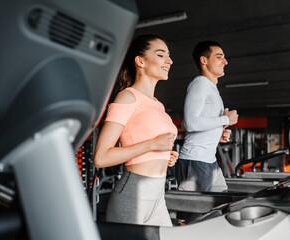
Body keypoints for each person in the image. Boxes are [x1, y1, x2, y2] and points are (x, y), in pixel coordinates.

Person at [94, 35, 178, 227]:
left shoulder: (158, 105)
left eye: (169, 56)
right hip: (133, 195)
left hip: (158, 196)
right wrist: (153, 144)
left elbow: (144, 145)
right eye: (161, 55)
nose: (169, 61)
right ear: (140, 61)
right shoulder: (127, 97)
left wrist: (164, 155)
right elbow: (101, 157)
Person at [175, 40, 238, 223]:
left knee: (220, 209)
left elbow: (202, 124)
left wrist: (220, 133)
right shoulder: (200, 84)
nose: (225, 61)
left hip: (209, 161)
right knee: (191, 220)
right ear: (204, 60)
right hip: (195, 161)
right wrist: (226, 120)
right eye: (219, 57)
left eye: (224, 58)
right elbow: (191, 122)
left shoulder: (212, 88)